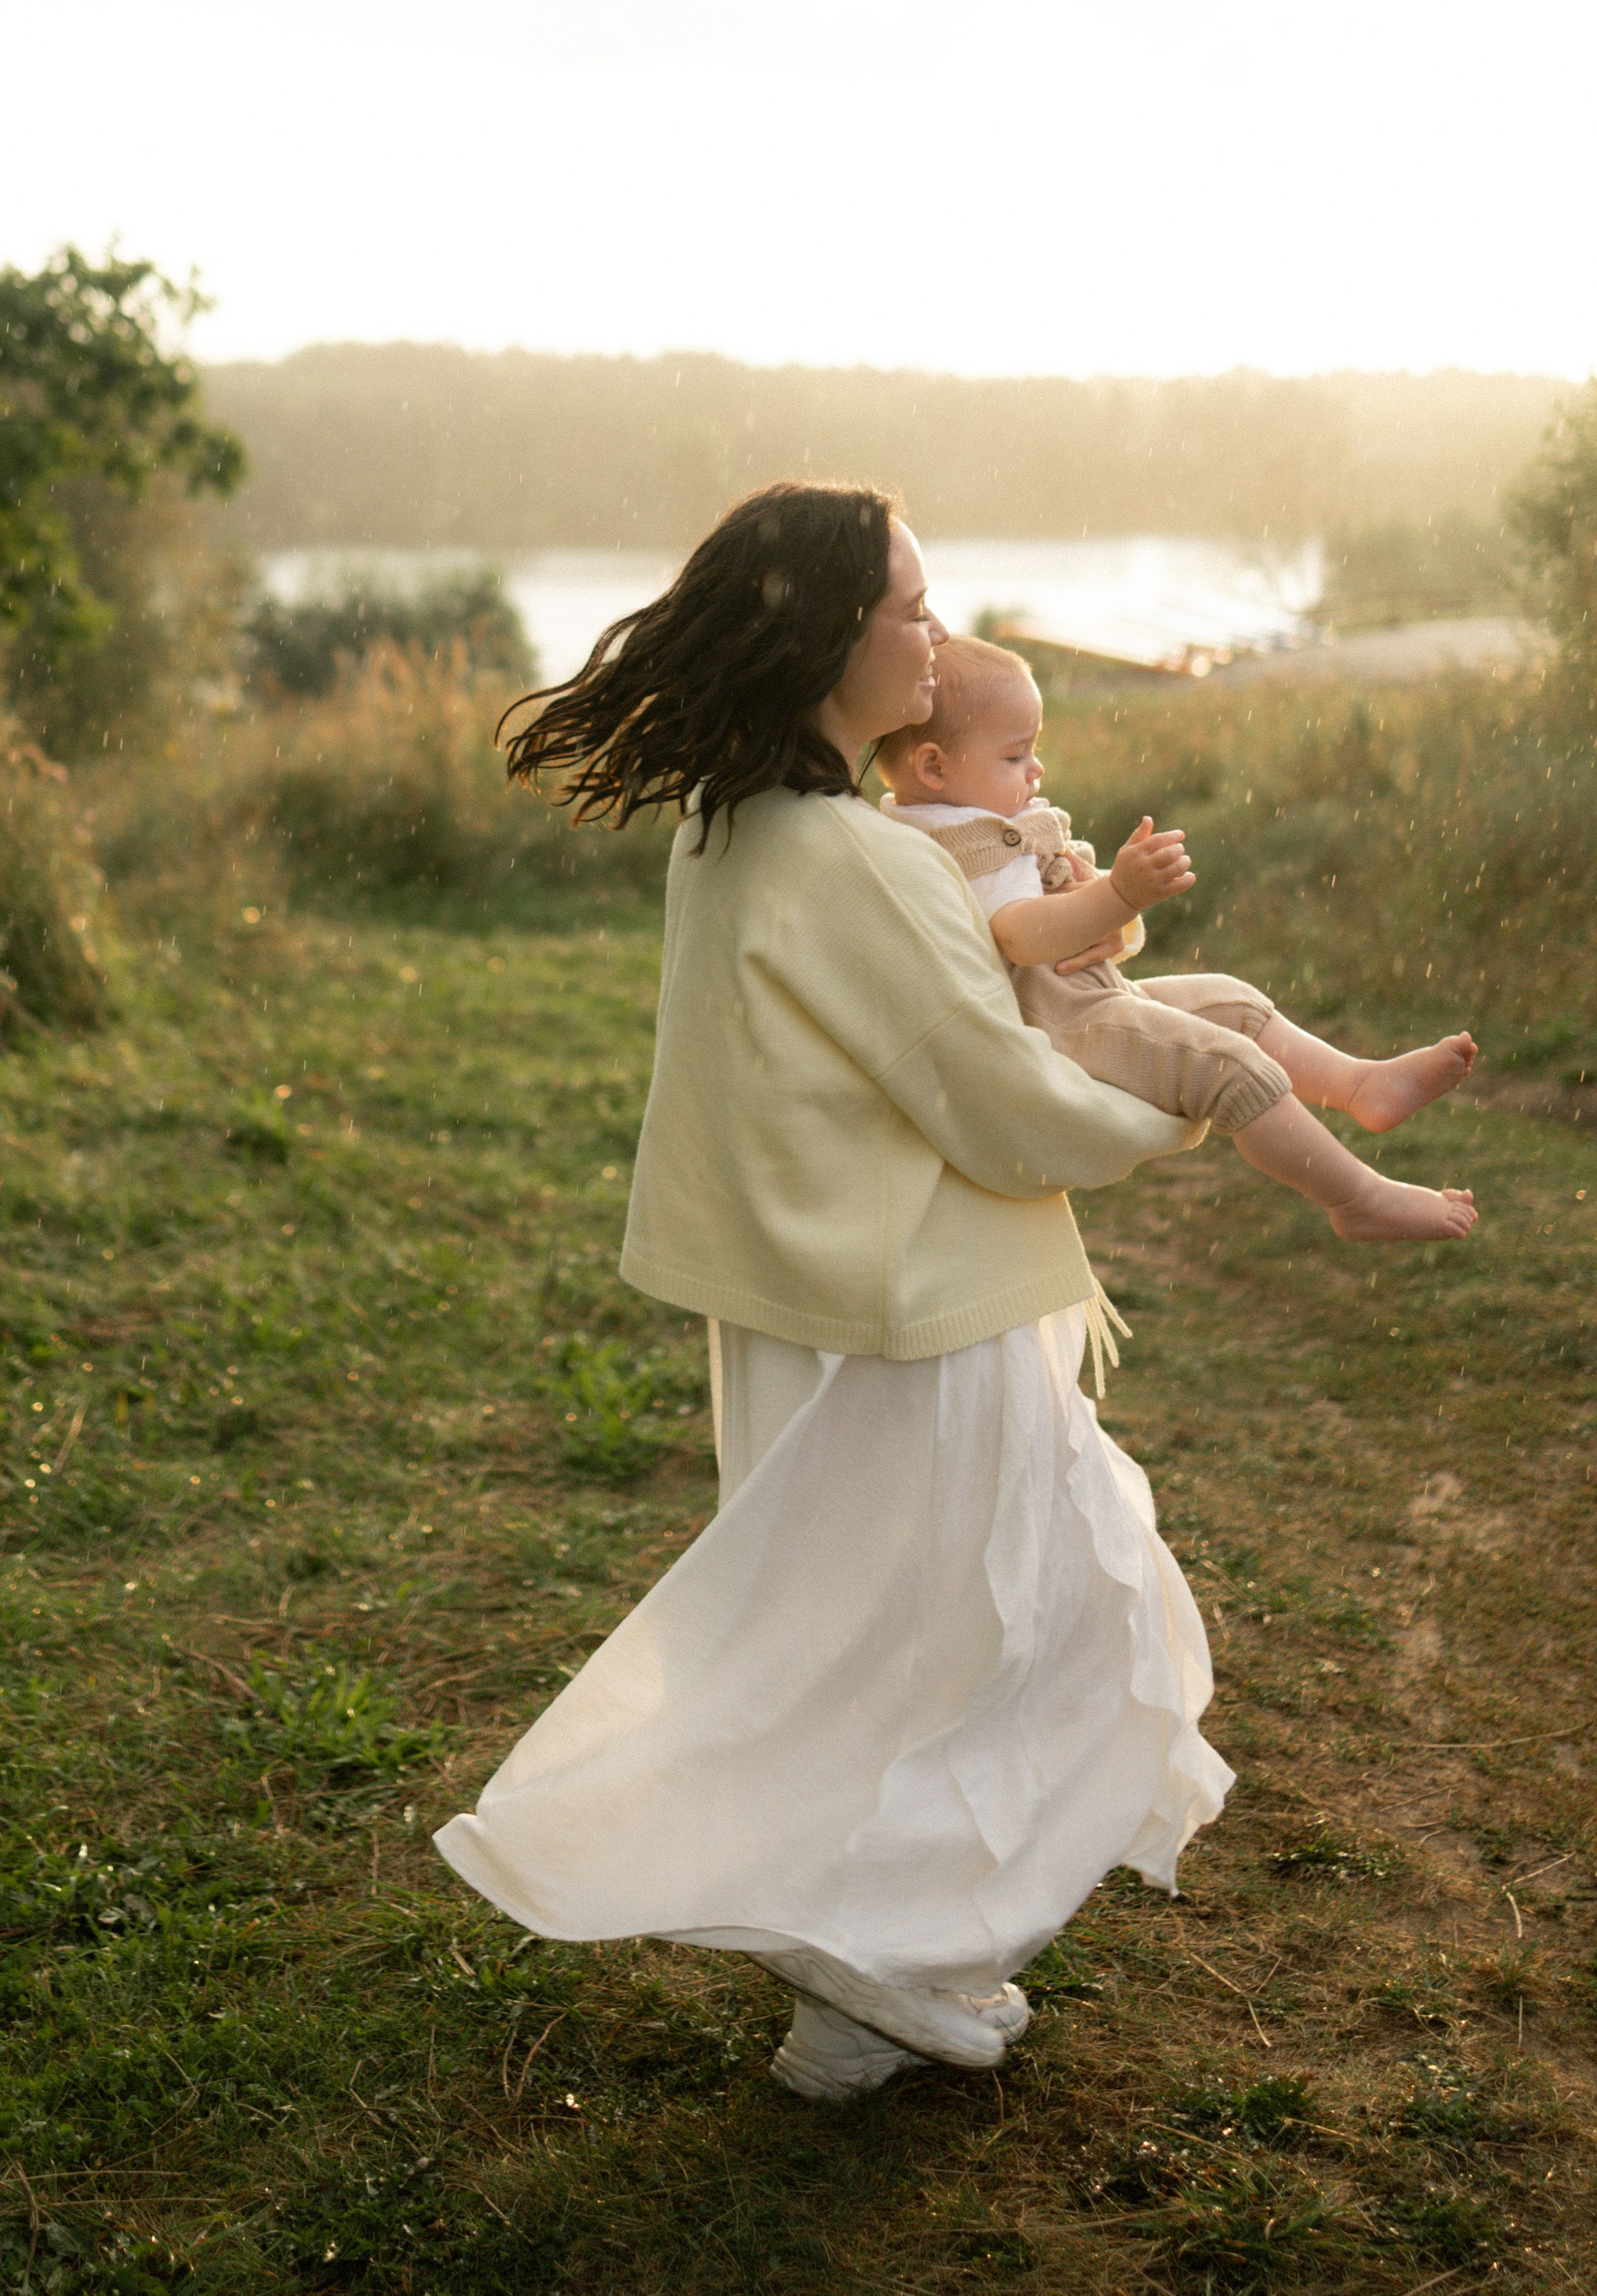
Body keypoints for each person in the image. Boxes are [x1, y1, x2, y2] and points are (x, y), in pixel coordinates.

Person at [433, 482, 1236, 2105]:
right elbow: (992, 1099)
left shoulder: (729, 828)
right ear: (825, 637)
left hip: (811, 1312)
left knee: (881, 1642)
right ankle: (865, 1947)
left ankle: (868, 1987)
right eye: (907, 611)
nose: (932, 639)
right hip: (910, 1332)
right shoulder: (852, 856)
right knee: (1053, 1628)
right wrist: (1194, 1094)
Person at [876, 636, 1478, 1246]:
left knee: (1230, 1000)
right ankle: (1356, 1197)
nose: (1036, 769)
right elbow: (1021, 936)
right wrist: (1120, 895)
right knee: (1230, 1065)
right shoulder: (967, 843)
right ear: (933, 766)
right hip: (1061, 1030)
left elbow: (1050, 920)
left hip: (1089, 1004)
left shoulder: (961, 818)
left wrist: (1110, 891)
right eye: (1015, 756)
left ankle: (1357, 1085)